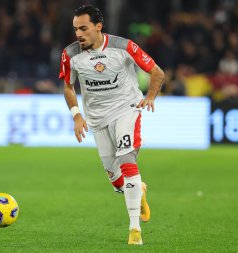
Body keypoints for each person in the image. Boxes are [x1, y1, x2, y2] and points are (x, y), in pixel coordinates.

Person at [59, 5, 164, 245]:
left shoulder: (124, 47)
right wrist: (77, 115)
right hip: (96, 118)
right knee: (117, 181)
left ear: (98, 27)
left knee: (127, 161)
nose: (79, 34)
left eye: (83, 28)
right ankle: (140, 191)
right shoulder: (70, 54)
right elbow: (68, 86)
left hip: (126, 109)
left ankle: (134, 230)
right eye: (76, 29)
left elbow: (157, 72)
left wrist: (149, 97)